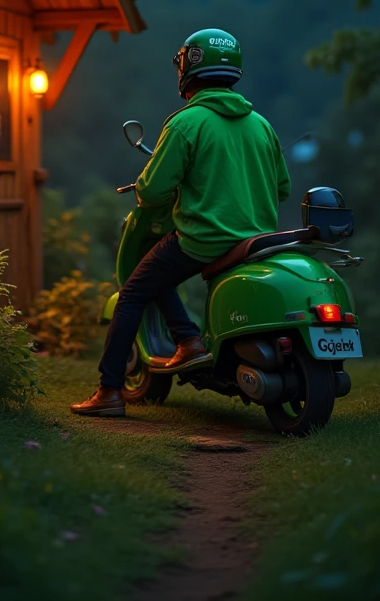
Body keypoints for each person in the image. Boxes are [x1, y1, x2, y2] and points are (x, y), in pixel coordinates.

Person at [70, 28, 291, 417]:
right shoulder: (262, 125)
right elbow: (283, 189)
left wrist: (153, 186)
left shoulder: (186, 123)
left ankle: (109, 392)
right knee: (156, 274)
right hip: (255, 241)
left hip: (204, 240)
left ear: (188, 68)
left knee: (135, 290)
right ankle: (188, 341)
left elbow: (153, 192)